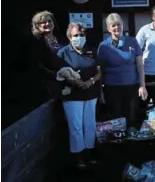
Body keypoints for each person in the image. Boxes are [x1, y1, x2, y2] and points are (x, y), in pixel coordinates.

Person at [57, 22, 102, 169]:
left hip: (91, 94)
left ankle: (89, 156)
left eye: (81, 35)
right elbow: (58, 74)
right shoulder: (63, 53)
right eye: (76, 35)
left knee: (89, 125)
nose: (79, 37)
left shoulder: (92, 51)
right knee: (76, 127)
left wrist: (91, 81)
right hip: (72, 96)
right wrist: (74, 81)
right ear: (69, 36)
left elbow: (99, 72)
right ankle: (79, 159)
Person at [98, 13, 148, 130]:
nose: (117, 28)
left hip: (131, 86)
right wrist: (100, 90)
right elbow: (100, 70)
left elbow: (140, 65)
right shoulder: (103, 46)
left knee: (132, 117)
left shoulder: (132, 41)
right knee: (116, 118)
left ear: (123, 25)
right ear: (108, 28)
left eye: (119, 24)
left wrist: (142, 85)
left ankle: (132, 142)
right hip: (112, 88)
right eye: (113, 25)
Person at [31, 11, 66, 98]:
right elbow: (38, 64)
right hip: (51, 82)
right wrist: (55, 76)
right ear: (37, 26)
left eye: (49, 21)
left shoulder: (62, 38)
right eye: (43, 22)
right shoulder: (36, 42)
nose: (47, 23)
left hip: (68, 79)